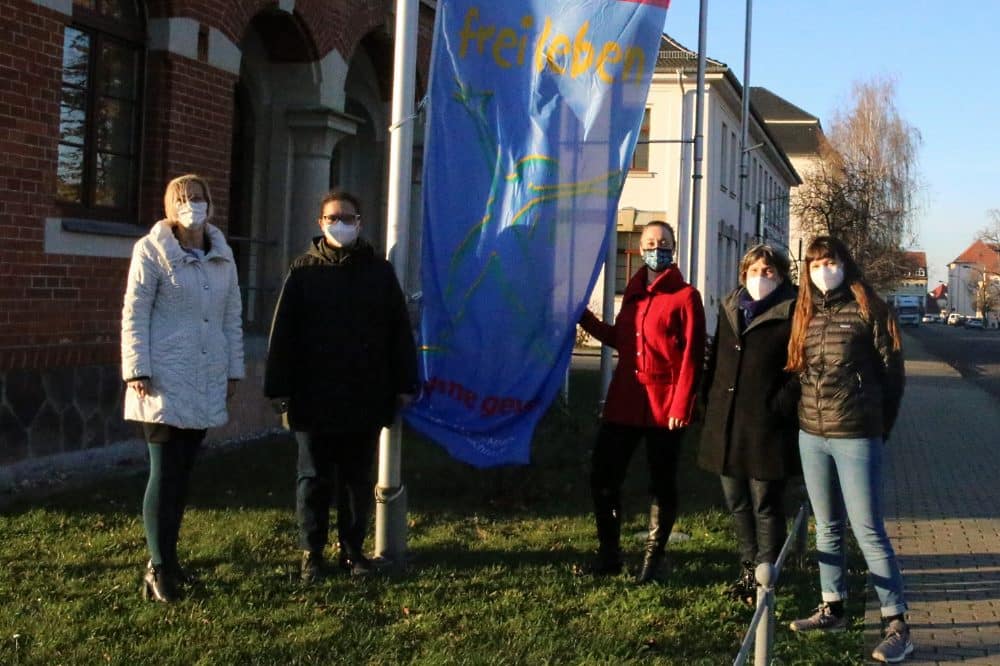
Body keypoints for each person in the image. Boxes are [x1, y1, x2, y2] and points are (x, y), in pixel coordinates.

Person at [264, 190, 418, 583]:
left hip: (364, 394)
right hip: (313, 396)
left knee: (356, 480)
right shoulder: (303, 272)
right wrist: (278, 387)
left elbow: (398, 331)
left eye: (348, 218)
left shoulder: (379, 272)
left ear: (360, 222)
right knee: (313, 478)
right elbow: (283, 335)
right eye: (334, 218)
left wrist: (404, 381)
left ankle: (353, 549)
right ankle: (311, 553)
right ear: (320, 224)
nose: (341, 224)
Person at [785, 236, 912, 663]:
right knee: (827, 526)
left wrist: (879, 427)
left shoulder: (869, 308)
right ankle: (832, 606)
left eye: (831, 260)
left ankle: (896, 623)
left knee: (869, 531)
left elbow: (892, 375)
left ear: (845, 262)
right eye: (816, 262)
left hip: (857, 435)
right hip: (812, 434)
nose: (824, 268)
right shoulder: (806, 312)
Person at [121, 174, 245, 603]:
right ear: (169, 207)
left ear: (209, 203)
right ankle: (157, 565)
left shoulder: (222, 256)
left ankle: (169, 561)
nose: (191, 204)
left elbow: (231, 316)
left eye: (197, 197)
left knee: (184, 476)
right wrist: (136, 369)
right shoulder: (151, 250)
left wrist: (233, 370)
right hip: (162, 379)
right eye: (182, 199)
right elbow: (134, 313)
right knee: (165, 472)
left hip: (206, 376)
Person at [578, 221, 706, 583]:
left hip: (665, 406)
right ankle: (609, 555)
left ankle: (653, 558)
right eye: (650, 242)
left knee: (661, 482)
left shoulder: (685, 296)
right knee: (603, 475)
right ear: (639, 248)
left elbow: (692, 358)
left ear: (673, 248)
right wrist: (583, 317)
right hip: (626, 400)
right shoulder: (633, 292)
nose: (656, 248)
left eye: (663, 242)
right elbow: (620, 339)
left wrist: (683, 406)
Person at [697, 244, 800, 604]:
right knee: (737, 502)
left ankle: (767, 575)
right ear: (744, 274)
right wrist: (706, 402)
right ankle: (747, 568)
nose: (760, 276)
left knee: (766, 504)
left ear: (782, 275)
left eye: (769, 270)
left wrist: (779, 406)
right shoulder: (730, 307)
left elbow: (800, 368)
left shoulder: (795, 311)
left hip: (766, 425)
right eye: (754, 270)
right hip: (726, 422)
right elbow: (716, 360)